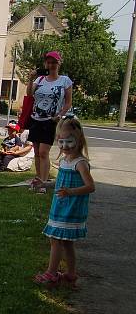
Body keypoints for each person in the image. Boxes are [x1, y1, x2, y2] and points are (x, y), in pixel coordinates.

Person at [35, 116, 94, 288]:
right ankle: (71, 274)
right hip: (60, 207)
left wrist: (70, 192)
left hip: (71, 209)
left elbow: (90, 186)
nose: (64, 146)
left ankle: (51, 274)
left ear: (79, 140)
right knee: (66, 242)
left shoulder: (80, 163)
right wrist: (44, 183)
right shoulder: (63, 161)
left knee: (55, 239)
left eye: (69, 141)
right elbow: (61, 184)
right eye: (61, 141)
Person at [26, 51, 73, 192]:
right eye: (49, 62)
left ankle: (43, 183)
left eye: (54, 62)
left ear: (59, 63)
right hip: (35, 119)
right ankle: (38, 178)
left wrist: (60, 115)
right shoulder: (39, 80)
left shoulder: (65, 80)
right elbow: (29, 94)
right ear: (45, 63)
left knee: (43, 152)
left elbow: (68, 102)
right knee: (36, 152)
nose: (51, 65)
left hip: (50, 120)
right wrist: (30, 79)